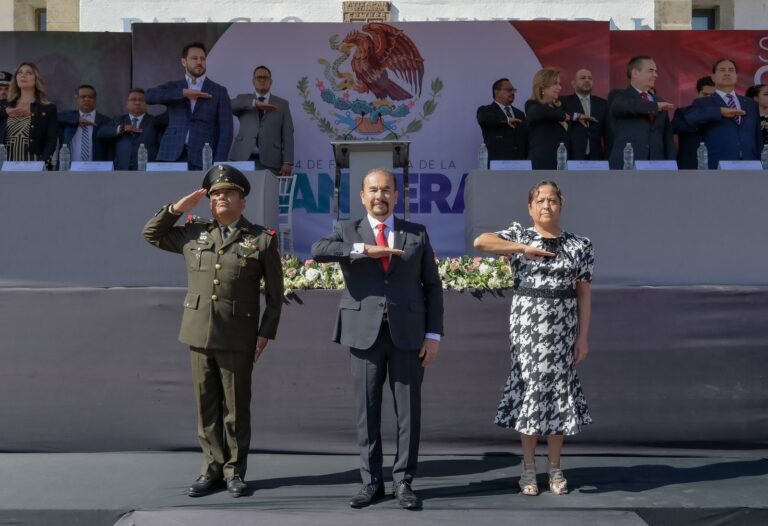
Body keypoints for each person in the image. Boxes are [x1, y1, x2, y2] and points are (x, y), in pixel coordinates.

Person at [142, 165, 283, 498]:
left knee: (235, 407)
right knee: (206, 406)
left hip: (238, 334)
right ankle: (211, 469)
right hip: (198, 333)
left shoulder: (260, 239)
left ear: (242, 201)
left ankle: (235, 471)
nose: (222, 198)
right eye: (216, 194)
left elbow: (276, 297)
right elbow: (151, 233)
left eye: (228, 193)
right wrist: (177, 209)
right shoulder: (194, 233)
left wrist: (266, 333)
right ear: (209, 202)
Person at [311, 168, 443, 510]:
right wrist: (362, 250)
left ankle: (403, 482)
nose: (379, 196)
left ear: (396, 196)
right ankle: (371, 481)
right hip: (363, 334)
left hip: (409, 334)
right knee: (366, 411)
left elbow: (433, 287)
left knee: (408, 412)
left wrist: (433, 335)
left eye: (386, 190)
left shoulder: (417, 233)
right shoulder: (346, 230)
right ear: (362, 196)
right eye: (373, 190)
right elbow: (319, 249)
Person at [473, 180, 593, 496]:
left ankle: (555, 468)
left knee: (557, 394)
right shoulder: (521, 235)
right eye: (540, 201)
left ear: (561, 204)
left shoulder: (579, 245)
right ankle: (528, 469)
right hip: (527, 328)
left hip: (562, 328)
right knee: (530, 393)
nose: (546, 206)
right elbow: (481, 242)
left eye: (552, 200)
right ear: (530, 207)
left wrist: (583, 337)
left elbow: (584, 294)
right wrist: (520, 248)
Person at [146, 42, 233, 170]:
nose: (199, 62)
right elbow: (149, 96)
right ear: (184, 62)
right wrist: (182, 93)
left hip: (203, 156)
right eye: (194, 58)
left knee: (200, 191)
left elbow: (226, 131)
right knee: (168, 190)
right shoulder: (174, 87)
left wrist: (218, 163)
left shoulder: (219, 91)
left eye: (202, 59)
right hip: (170, 153)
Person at [686, 58, 762, 169]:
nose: (727, 73)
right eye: (722, 70)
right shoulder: (703, 102)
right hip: (717, 164)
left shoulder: (751, 103)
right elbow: (691, 119)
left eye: (731, 70)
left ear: (736, 76)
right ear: (713, 77)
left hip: (750, 164)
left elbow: (757, 137)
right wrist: (719, 112)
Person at [608, 55, 675, 169]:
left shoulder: (660, 102)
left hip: (657, 165)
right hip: (626, 164)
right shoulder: (619, 95)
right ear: (635, 73)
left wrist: (672, 164)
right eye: (650, 71)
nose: (655, 75)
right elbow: (628, 106)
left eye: (656, 71)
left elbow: (667, 137)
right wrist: (655, 106)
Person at [230, 66, 294, 176]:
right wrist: (254, 103)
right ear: (253, 81)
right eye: (259, 77)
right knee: (242, 193)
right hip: (243, 158)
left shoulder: (282, 104)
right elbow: (230, 105)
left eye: (265, 77)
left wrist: (287, 162)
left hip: (271, 161)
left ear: (271, 81)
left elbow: (288, 134)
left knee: (267, 193)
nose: (262, 80)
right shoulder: (243, 99)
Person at [526, 68, 591, 170]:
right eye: (555, 84)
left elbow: (564, 114)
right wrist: (565, 116)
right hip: (542, 163)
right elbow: (542, 113)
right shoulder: (532, 105)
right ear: (542, 86)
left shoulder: (559, 106)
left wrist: (575, 116)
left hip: (562, 162)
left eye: (559, 84)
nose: (559, 87)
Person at [0, 62, 58, 168]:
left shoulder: (48, 108)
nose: (23, 75)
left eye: (29, 73)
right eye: (20, 73)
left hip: (34, 163)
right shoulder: (5, 105)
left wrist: (41, 164)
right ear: (16, 78)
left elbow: (51, 141)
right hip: (6, 165)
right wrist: (6, 112)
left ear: (36, 79)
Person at [98, 88, 163, 170]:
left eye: (141, 100)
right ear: (127, 103)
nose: (137, 102)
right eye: (133, 99)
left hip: (147, 170)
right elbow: (101, 132)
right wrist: (122, 128)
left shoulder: (155, 121)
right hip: (121, 168)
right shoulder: (118, 120)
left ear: (146, 104)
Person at [476, 78, 528, 166]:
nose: (512, 93)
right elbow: (484, 119)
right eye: (509, 90)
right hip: (497, 165)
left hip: (520, 165)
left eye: (513, 90)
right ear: (496, 92)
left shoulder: (520, 114)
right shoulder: (486, 110)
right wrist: (506, 120)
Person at [561, 69, 607, 160]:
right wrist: (576, 116)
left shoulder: (603, 103)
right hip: (571, 157)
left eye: (590, 78)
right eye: (582, 78)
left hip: (596, 158)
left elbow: (608, 134)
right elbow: (556, 114)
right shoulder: (564, 102)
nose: (587, 80)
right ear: (573, 84)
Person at [58, 84, 112, 163]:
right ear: (76, 99)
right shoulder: (68, 117)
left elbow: (110, 149)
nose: (87, 99)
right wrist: (76, 120)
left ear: (95, 99)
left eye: (90, 97)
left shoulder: (106, 121)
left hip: (97, 170)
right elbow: (52, 116)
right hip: (70, 169)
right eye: (83, 97)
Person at [671, 76, 715, 169]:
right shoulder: (683, 112)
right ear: (697, 93)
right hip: (689, 166)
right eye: (705, 94)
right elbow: (674, 127)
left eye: (712, 96)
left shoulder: (724, 114)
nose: (708, 98)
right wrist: (701, 117)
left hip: (716, 166)